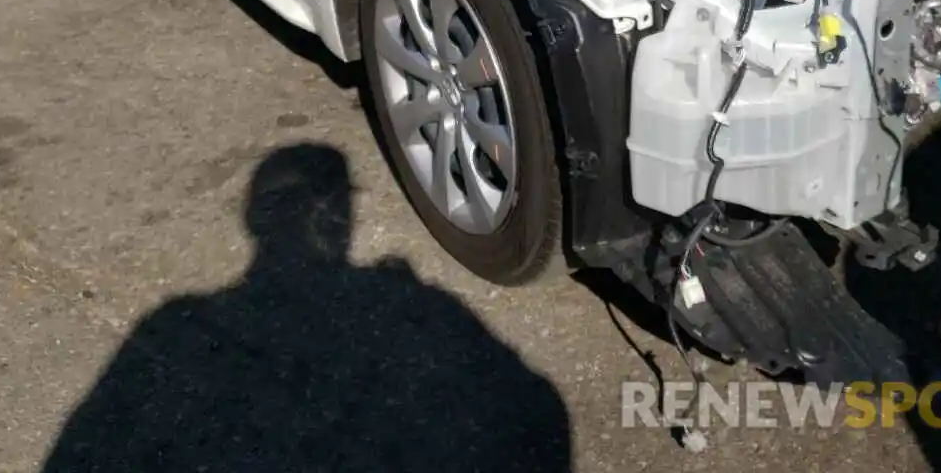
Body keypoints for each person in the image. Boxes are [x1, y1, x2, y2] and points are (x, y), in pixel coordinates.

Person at [43, 143, 571, 472]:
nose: (334, 218)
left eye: (334, 203)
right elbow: (535, 406)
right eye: (319, 204)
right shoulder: (416, 307)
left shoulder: (178, 323)